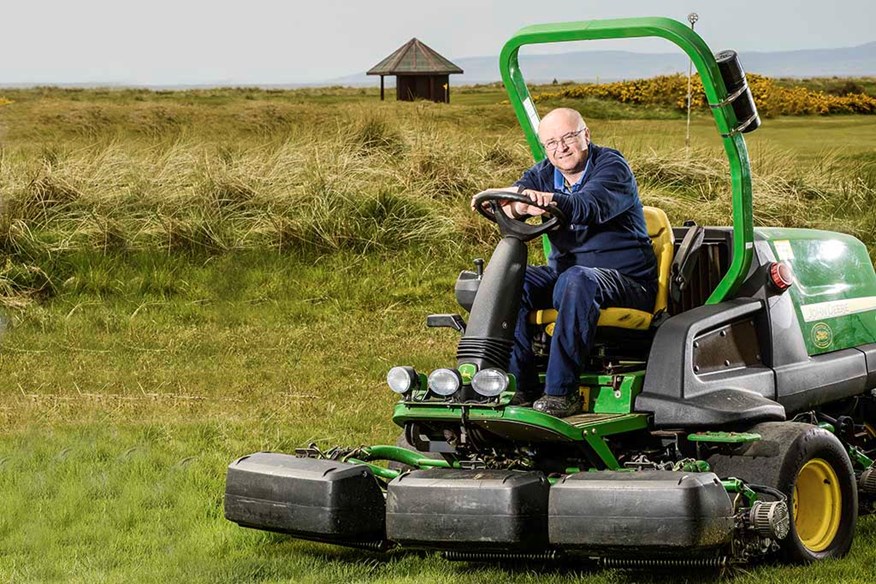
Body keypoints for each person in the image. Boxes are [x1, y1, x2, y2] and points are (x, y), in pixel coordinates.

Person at [477, 108, 657, 417]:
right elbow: (513, 201)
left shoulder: (612, 167)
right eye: (551, 142)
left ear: (585, 135)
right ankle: (520, 384)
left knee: (577, 280)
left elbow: (588, 206)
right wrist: (510, 204)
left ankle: (562, 392)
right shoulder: (544, 173)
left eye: (569, 137)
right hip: (566, 278)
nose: (561, 147)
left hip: (626, 281)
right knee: (509, 279)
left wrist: (545, 201)